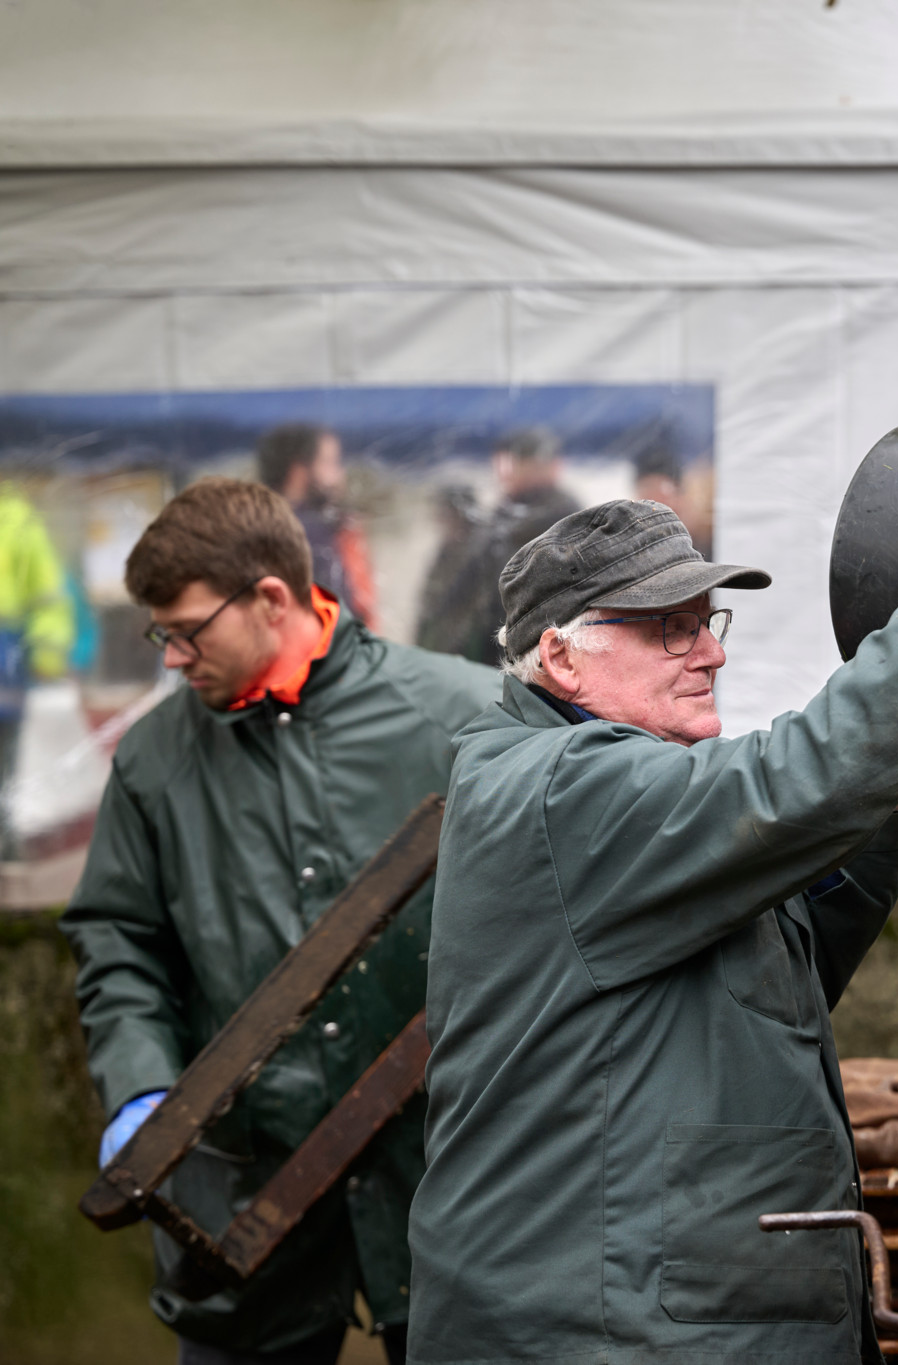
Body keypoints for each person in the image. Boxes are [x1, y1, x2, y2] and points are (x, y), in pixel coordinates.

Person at [407, 450, 898, 1364]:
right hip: (595, 1335)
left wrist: (885, 783)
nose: (713, 651)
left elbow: (788, 973)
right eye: (667, 628)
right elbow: (792, 781)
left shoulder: (641, 805)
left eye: (706, 620)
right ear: (561, 655)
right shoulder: (558, 788)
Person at [61, 479, 501, 1365]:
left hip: (444, 1171)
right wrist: (142, 1089)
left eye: (186, 631)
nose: (172, 658)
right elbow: (121, 943)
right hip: (246, 1184)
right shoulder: (154, 762)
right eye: (161, 635)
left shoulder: (462, 717)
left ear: (271, 597)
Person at [431, 428, 580, 665]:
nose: (503, 473)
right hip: (498, 650)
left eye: (515, 463)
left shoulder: (564, 519)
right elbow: (464, 594)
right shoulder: (502, 517)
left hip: (537, 654)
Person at [0, 482, 75, 857]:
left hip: (5, 656)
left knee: (4, 761)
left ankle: (5, 848)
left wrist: (46, 658)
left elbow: (48, 598)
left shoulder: (17, 519)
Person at [254, 423, 380, 631]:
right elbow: (340, 617)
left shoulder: (261, 522)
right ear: (299, 471)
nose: (340, 476)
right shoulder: (305, 531)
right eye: (330, 463)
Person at [412, 485, 479, 656]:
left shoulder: (475, 556)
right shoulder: (445, 553)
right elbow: (429, 607)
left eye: (444, 514)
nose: (438, 520)